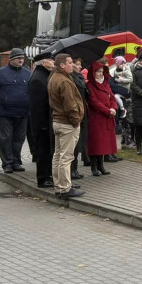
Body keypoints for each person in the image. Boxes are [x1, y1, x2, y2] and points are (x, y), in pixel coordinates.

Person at [47, 53, 85, 200]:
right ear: (62, 65)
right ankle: (64, 188)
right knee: (66, 157)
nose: (73, 65)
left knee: (58, 156)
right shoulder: (64, 81)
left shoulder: (53, 77)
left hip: (57, 121)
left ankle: (59, 185)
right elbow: (70, 105)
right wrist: (76, 121)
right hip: (67, 123)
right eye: (70, 62)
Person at [0, 47, 31, 174]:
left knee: (19, 139)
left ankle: (16, 161)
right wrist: (2, 100)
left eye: (22, 58)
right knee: (5, 138)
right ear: (11, 60)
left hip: (23, 112)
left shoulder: (27, 73)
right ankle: (7, 163)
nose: (21, 60)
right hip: (6, 113)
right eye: (18, 58)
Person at [85, 60, 117, 176]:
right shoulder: (89, 85)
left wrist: (114, 108)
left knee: (104, 143)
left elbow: (112, 98)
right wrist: (107, 110)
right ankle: (94, 166)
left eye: (101, 71)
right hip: (97, 118)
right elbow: (93, 101)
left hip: (107, 117)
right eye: (98, 71)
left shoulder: (106, 83)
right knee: (96, 143)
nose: (100, 74)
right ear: (93, 73)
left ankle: (101, 165)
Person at [27, 56, 54, 188]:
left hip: (46, 122)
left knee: (47, 152)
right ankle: (43, 178)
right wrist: (41, 125)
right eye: (51, 60)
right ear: (43, 63)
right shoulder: (38, 79)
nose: (53, 62)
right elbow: (36, 106)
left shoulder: (44, 75)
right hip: (42, 124)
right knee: (43, 152)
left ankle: (48, 176)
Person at [70, 56, 90, 177]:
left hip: (83, 111)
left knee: (81, 141)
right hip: (75, 113)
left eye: (80, 64)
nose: (80, 66)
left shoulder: (80, 77)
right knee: (74, 144)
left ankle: (75, 169)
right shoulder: (70, 78)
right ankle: (72, 169)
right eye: (77, 64)